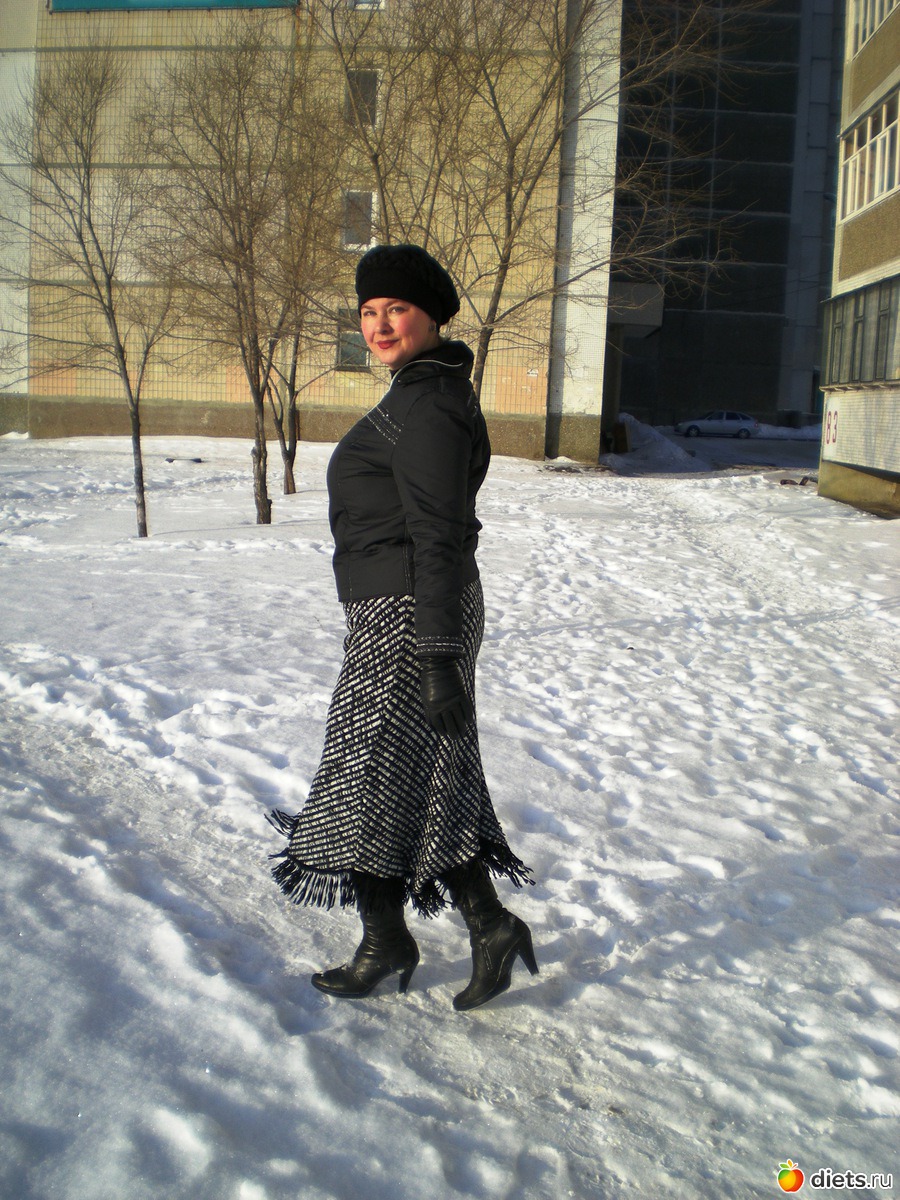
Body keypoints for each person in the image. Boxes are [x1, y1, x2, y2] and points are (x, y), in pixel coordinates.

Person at [268, 243, 537, 1011]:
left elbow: (438, 535)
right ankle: (465, 927)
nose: (380, 325)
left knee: (366, 775)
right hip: (397, 611)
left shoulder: (430, 406)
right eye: (368, 311)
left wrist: (437, 653)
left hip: (414, 616)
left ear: (432, 317)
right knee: (412, 776)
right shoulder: (421, 393)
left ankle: (401, 937)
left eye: (397, 310)